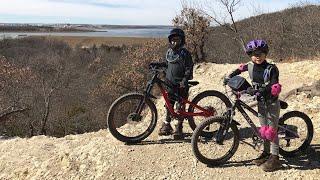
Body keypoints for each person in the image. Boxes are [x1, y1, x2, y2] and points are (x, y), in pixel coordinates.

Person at [224, 40, 282, 172]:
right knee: (264, 129)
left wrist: (263, 90)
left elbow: (274, 85)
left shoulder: (271, 68)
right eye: (254, 54)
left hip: (271, 102)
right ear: (250, 54)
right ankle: (267, 153)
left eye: (260, 53)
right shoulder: (250, 65)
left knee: (272, 131)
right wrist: (229, 77)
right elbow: (240, 69)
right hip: (261, 101)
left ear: (265, 54)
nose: (257, 56)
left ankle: (275, 158)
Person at [149, 28, 193, 139]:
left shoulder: (185, 53)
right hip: (170, 83)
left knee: (180, 105)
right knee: (169, 104)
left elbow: (189, 68)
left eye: (177, 40)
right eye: (173, 40)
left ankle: (179, 127)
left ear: (181, 40)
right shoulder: (169, 52)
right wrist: (157, 64)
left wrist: (184, 80)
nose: (174, 42)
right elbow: (167, 64)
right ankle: (167, 125)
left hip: (181, 83)